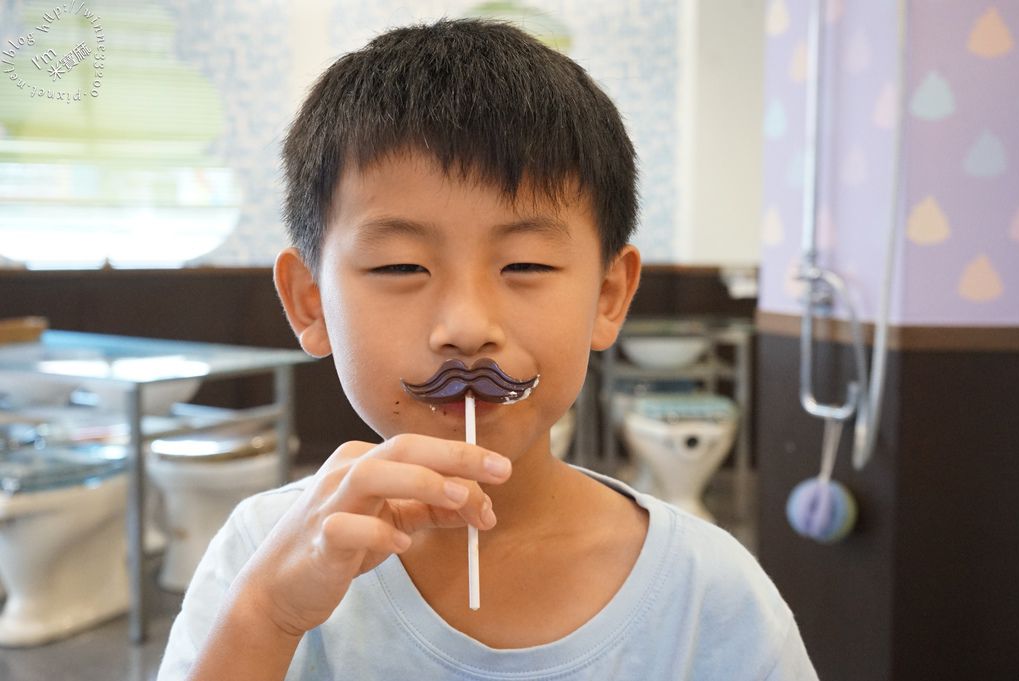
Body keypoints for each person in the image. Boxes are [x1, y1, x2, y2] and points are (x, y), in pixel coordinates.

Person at [158, 18, 818, 681]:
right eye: (399, 267)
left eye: (526, 264)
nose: (467, 327)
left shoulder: (711, 594)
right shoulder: (261, 554)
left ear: (610, 295)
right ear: (309, 301)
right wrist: (267, 617)